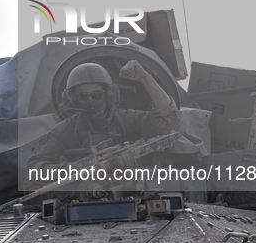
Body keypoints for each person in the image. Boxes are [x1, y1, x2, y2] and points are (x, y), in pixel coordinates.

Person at [27, 61, 180, 174]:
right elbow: (34, 169)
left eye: (96, 95)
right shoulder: (66, 129)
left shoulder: (128, 119)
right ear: (71, 100)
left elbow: (167, 120)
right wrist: (76, 167)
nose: (90, 101)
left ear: (109, 95)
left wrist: (145, 78)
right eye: (83, 96)